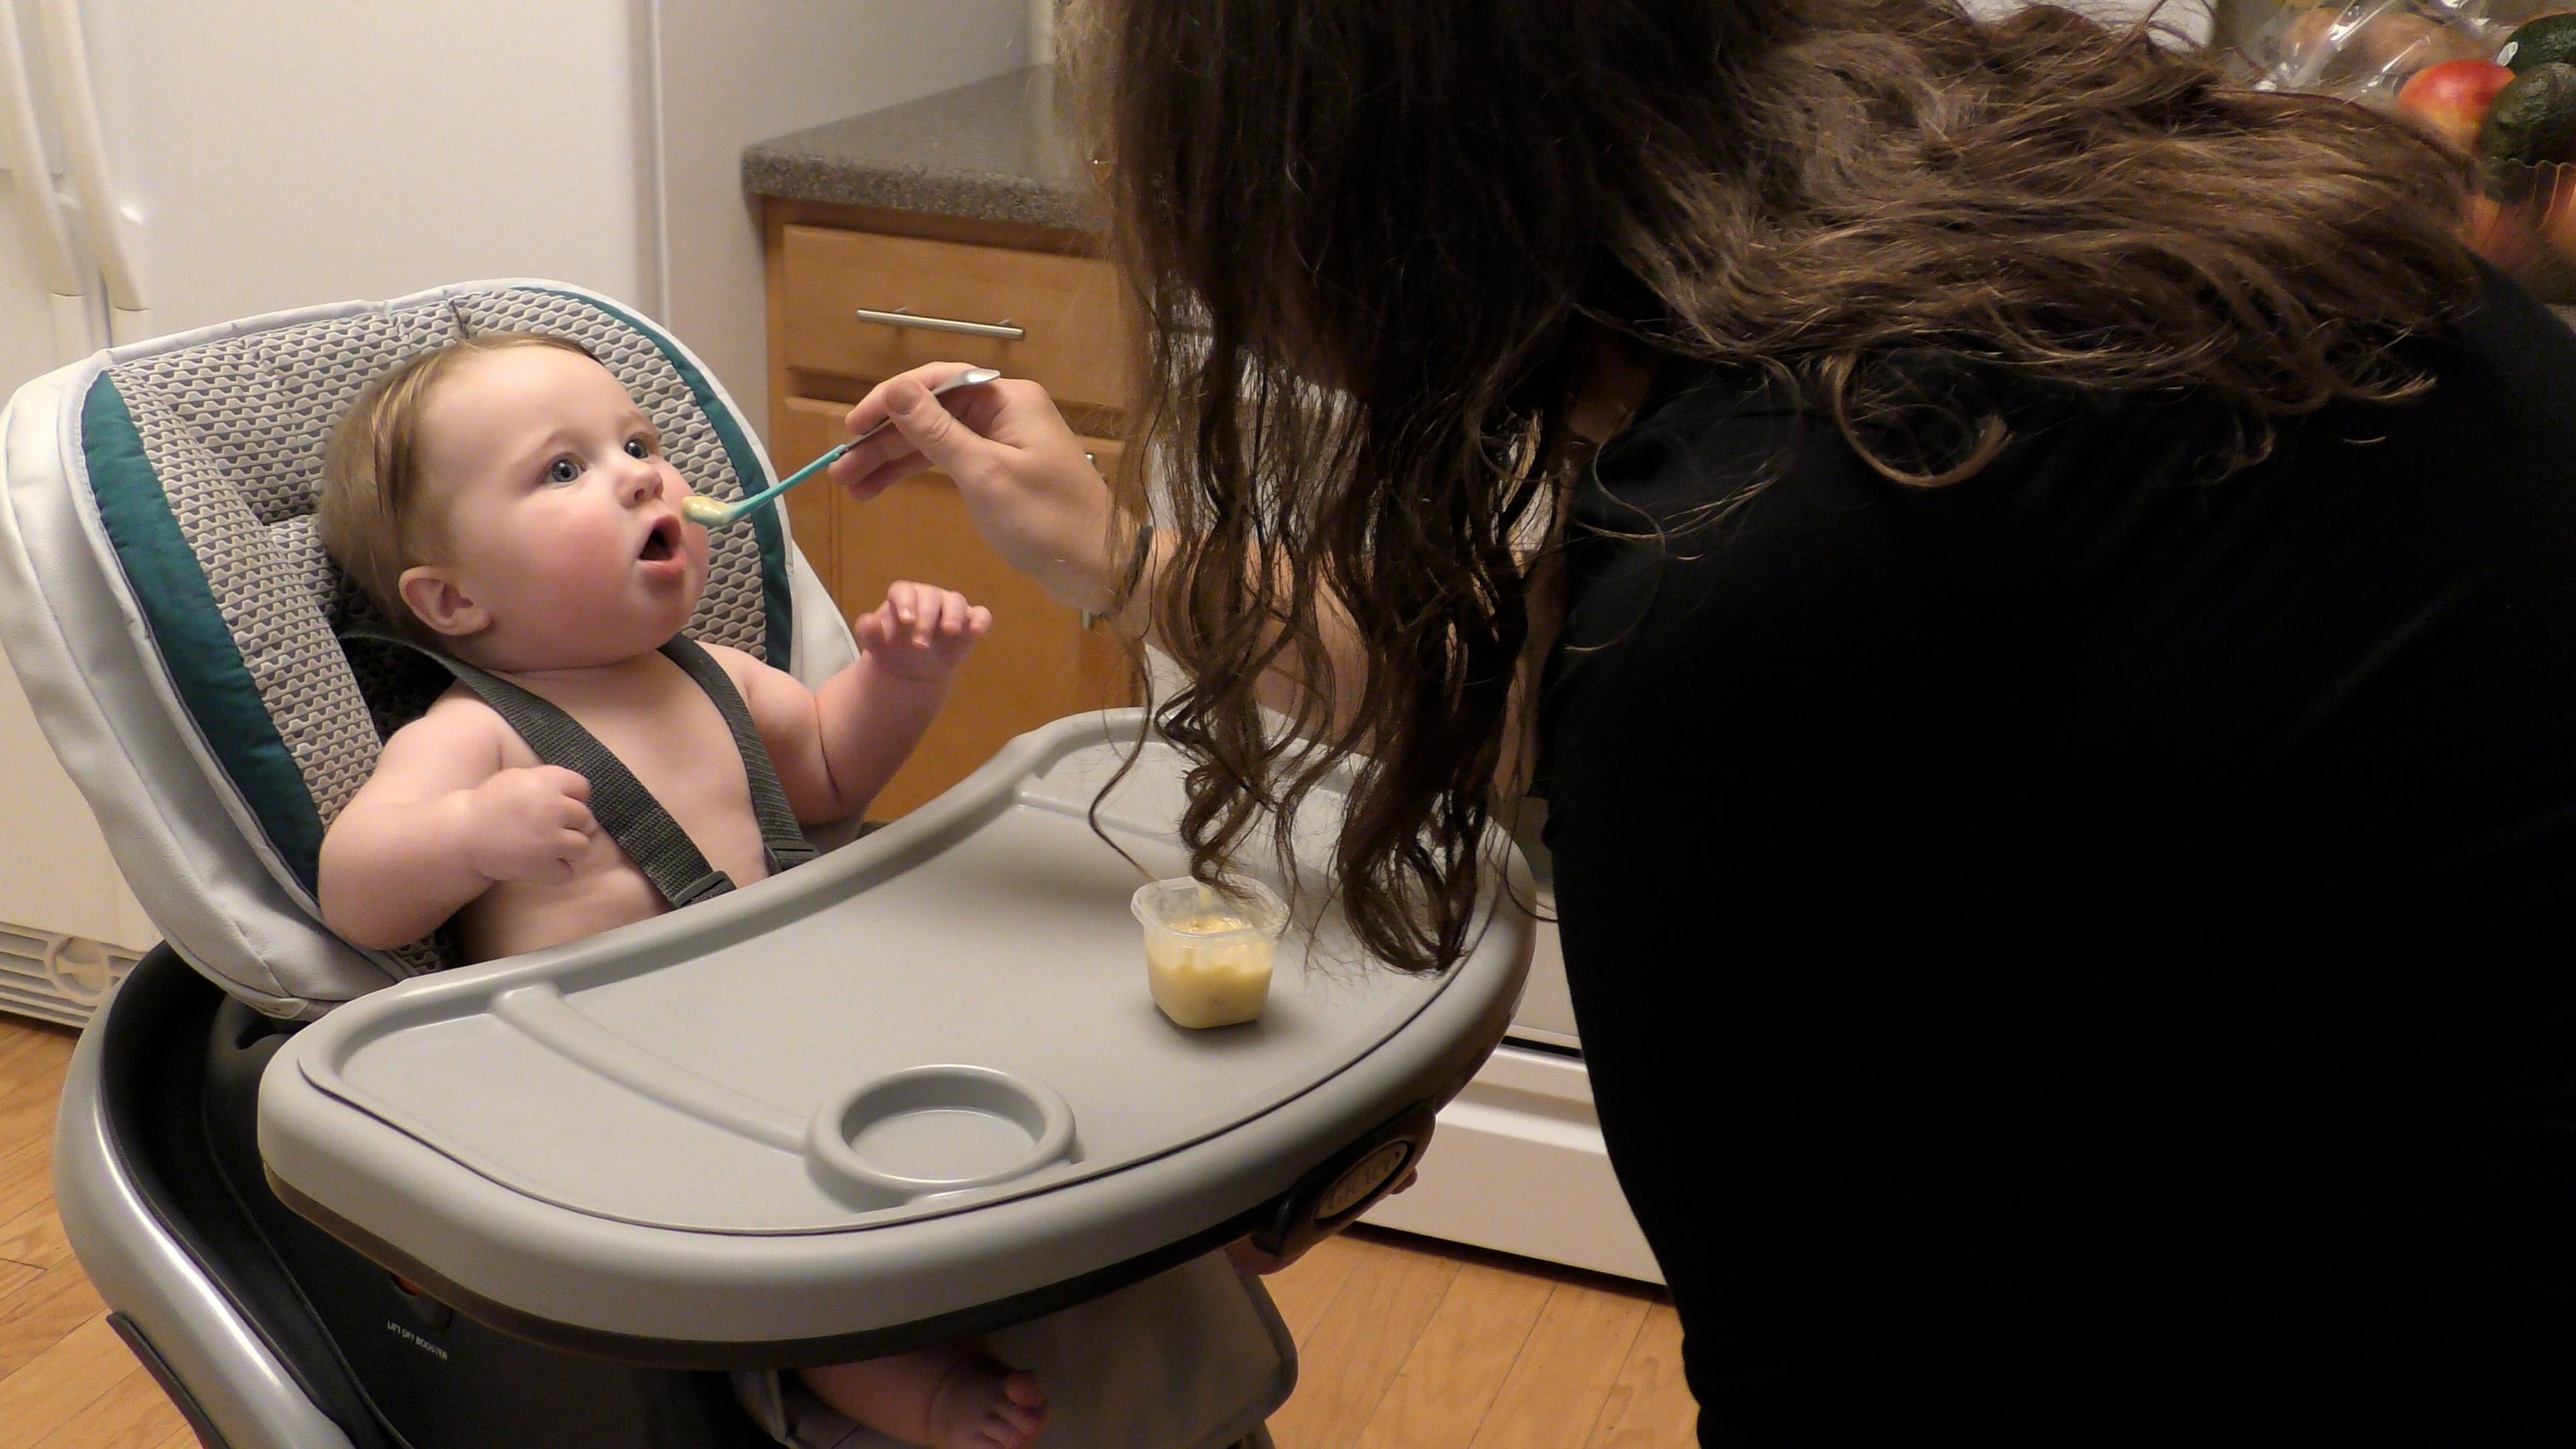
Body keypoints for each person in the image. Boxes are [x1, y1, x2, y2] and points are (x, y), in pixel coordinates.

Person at [822, 0, 2576, 1441]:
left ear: (1338, 198)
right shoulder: (1959, 221)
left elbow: (1849, 1389)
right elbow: (1567, 673)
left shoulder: (1786, 576)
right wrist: (1117, 556)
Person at [312, 332, 1046, 1449]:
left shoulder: (719, 674)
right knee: (786, 1250)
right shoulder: (473, 735)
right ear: (453, 599)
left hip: (790, 1035)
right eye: (565, 470)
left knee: (982, 1093)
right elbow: (356, 895)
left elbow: (836, 774)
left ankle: (1020, 1256)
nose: (641, 472)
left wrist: (900, 679)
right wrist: (471, 836)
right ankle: (900, 1388)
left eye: (638, 443)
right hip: (629, 1113)